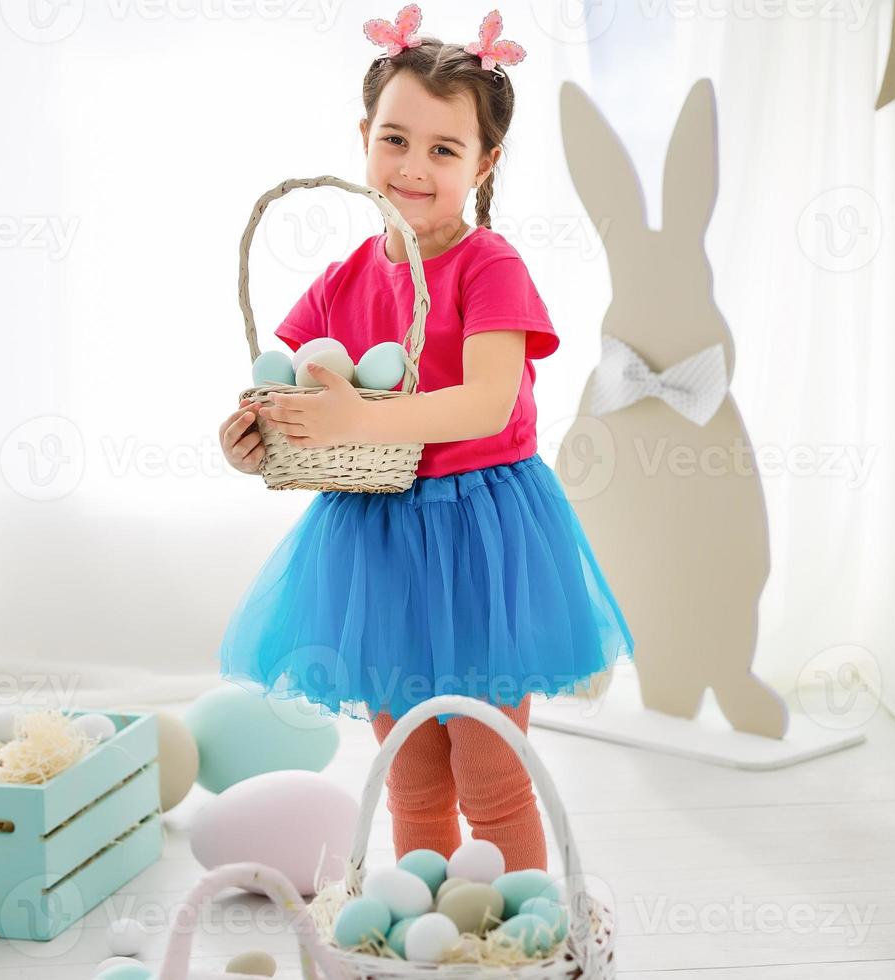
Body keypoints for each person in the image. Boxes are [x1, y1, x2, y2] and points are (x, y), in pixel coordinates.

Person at [216, 5, 633, 873]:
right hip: (378, 539)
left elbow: (484, 404)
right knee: (408, 770)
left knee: (489, 769)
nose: (413, 167)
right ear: (364, 136)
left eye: (444, 150)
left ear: (485, 162)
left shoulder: (489, 268)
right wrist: (256, 435)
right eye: (395, 140)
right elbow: (286, 382)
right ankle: (423, 928)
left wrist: (360, 416)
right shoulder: (342, 281)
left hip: (483, 537)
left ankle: (521, 930)